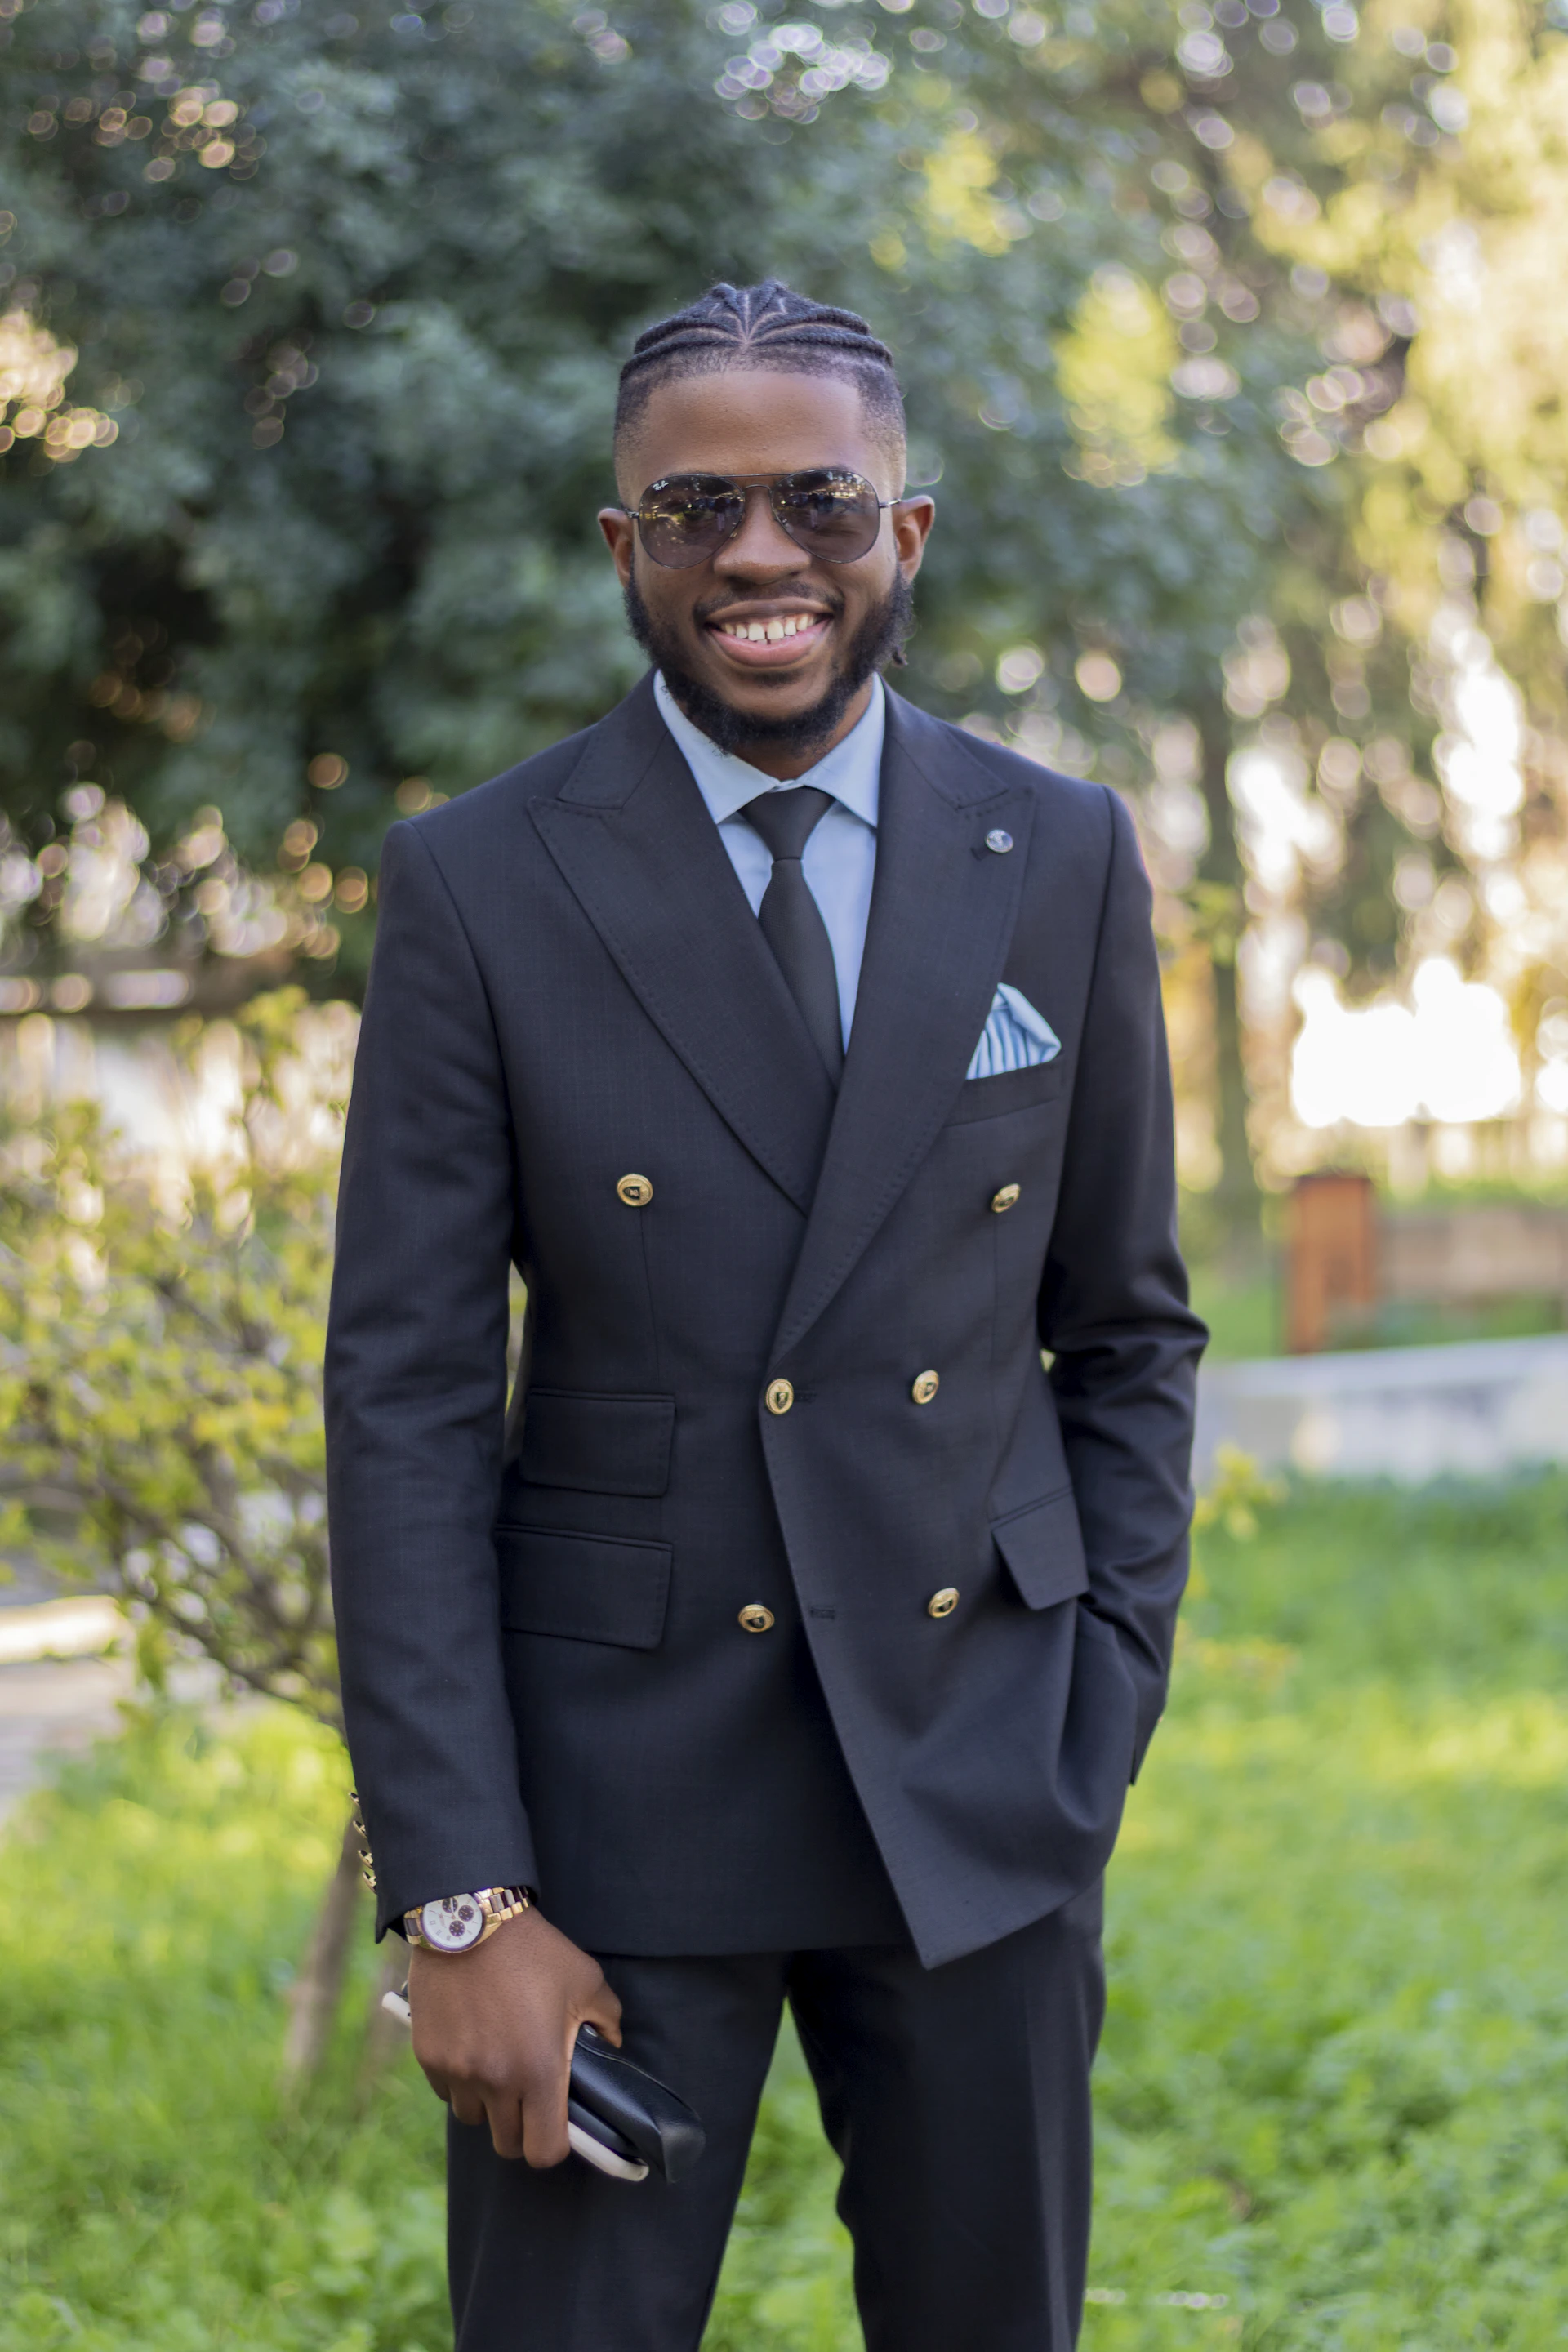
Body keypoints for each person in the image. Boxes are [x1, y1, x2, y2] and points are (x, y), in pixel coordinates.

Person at [326, 278, 1205, 2352]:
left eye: (818, 502)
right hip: (608, 1818)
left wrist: (1106, 1697)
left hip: (984, 1785)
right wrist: (465, 1891)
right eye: (695, 507)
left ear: (904, 532)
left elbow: (1130, 1330)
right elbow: (411, 1405)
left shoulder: (1058, 853)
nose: (759, 556)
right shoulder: (480, 881)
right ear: (624, 540)